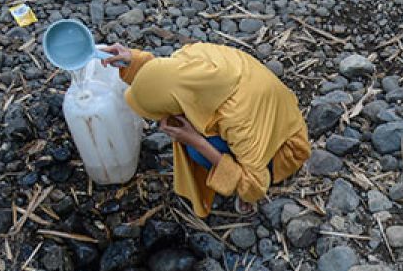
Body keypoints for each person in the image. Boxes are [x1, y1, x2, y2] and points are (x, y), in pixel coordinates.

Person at [100, 42, 310, 218]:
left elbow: (256, 186)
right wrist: (134, 60)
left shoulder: (238, 119)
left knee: (194, 150)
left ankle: (233, 170)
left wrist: (196, 141)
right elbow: (167, 74)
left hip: (285, 146)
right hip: (270, 110)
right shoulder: (190, 54)